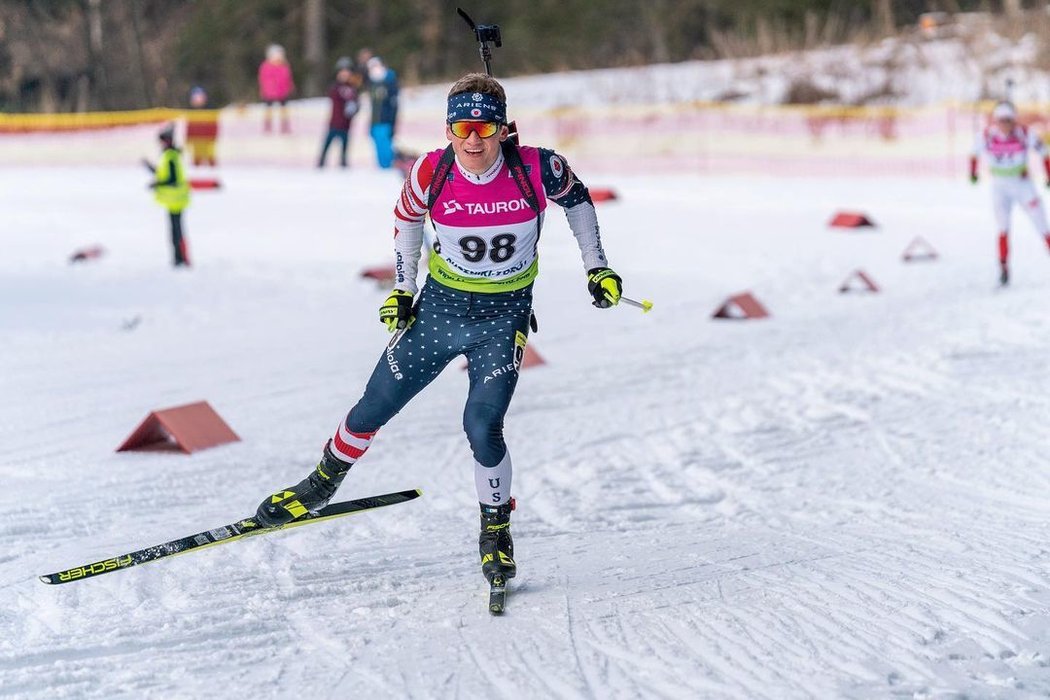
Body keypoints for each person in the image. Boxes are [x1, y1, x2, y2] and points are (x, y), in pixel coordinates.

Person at [255, 73, 623, 591]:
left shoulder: (537, 166)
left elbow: (579, 203)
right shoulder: (433, 168)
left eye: (484, 126)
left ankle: (495, 530)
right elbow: (406, 219)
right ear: (449, 129)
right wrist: (403, 290)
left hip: (502, 317)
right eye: (461, 127)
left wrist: (597, 267)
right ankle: (320, 483)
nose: (472, 140)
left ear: (503, 128)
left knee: (482, 425)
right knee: (371, 409)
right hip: (439, 312)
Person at [970, 100, 1050, 285]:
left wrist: (1048, 174)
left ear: (1013, 120)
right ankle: (1004, 268)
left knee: (1042, 224)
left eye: (1008, 120)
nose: (1004, 125)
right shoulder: (987, 135)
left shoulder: (1024, 133)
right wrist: (973, 172)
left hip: (1022, 185)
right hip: (1000, 187)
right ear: (996, 121)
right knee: (1003, 228)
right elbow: (973, 152)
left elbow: (1044, 152)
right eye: (1001, 120)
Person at [145, 125, 191, 267]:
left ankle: (182, 259)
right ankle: (178, 258)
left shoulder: (171, 156)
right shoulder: (169, 155)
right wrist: (150, 169)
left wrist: (157, 184)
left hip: (176, 199)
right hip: (173, 200)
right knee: (174, 231)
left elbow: (172, 179)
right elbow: (163, 174)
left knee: (177, 231)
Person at [317, 59, 361, 168]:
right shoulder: (335, 87)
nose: (345, 75)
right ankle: (321, 162)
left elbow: (356, 104)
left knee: (345, 145)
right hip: (335, 122)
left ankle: (343, 162)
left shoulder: (352, 88)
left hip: (346, 123)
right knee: (328, 143)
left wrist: (354, 109)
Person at [365, 56, 398, 168]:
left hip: (385, 120)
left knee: (385, 144)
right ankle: (382, 166)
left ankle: (387, 165)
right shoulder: (373, 84)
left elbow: (393, 104)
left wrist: (392, 121)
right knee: (378, 142)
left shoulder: (389, 82)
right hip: (375, 121)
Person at [258, 44, 295, 133]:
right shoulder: (266, 67)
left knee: (284, 110)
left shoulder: (284, 66)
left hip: (282, 92)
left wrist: (290, 86)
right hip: (270, 92)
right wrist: (267, 89)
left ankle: (284, 126)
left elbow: (288, 78)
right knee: (269, 109)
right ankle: (268, 126)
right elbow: (263, 79)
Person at [185, 86, 219, 167]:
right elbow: (189, 128)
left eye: (199, 98)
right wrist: (189, 138)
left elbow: (214, 126)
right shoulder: (191, 113)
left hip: (208, 141)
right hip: (196, 142)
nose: (198, 101)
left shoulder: (210, 112)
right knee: (197, 161)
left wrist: (213, 137)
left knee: (211, 160)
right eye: (195, 99)